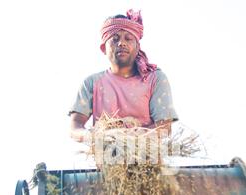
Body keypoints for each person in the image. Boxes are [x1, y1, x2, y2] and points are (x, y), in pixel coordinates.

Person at [68, 9, 178, 143]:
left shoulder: (155, 79)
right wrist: (95, 137)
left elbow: (164, 128)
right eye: (115, 39)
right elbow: (75, 127)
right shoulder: (92, 83)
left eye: (128, 38)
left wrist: (128, 139)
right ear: (104, 48)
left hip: (148, 161)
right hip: (106, 161)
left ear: (138, 47)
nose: (121, 43)